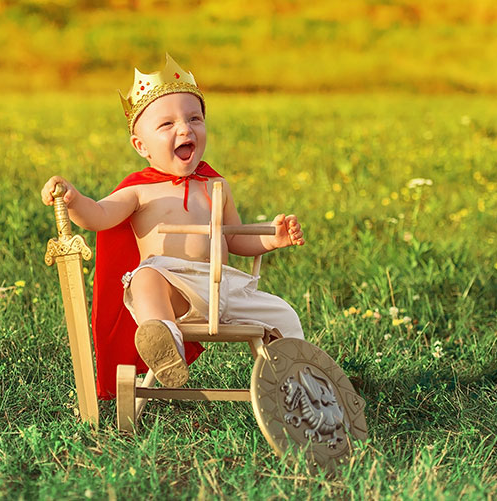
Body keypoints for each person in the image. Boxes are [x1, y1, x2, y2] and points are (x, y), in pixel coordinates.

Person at [41, 55, 305, 399]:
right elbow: (99, 215)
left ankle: (299, 381)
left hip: (226, 289)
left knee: (283, 314)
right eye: (167, 125)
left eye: (195, 118)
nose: (185, 128)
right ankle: (166, 345)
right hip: (176, 294)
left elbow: (236, 237)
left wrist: (271, 239)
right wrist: (75, 199)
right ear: (141, 146)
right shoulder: (138, 191)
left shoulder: (215, 185)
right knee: (145, 276)